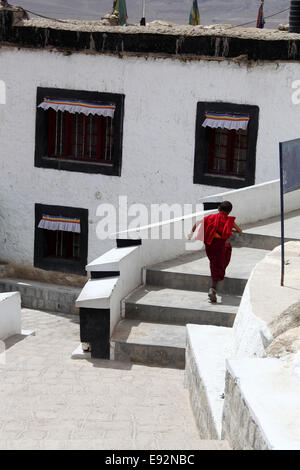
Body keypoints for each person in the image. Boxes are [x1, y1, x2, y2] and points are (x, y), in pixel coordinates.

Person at [188, 201, 242, 303]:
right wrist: (231, 230)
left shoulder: (210, 217)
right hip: (220, 245)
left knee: (214, 263)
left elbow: (197, 223)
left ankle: (214, 288)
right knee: (220, 262)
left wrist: (191, 233)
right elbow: (240, 231)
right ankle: (213, 288)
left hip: (209, 244)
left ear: (218, 209)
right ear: (229, 212)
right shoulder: (228, 220)